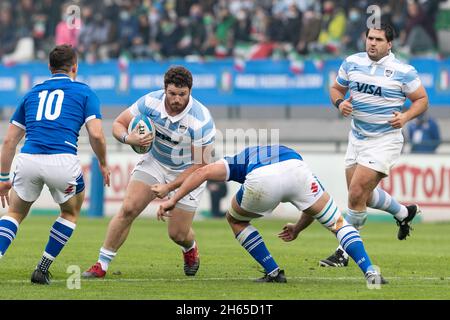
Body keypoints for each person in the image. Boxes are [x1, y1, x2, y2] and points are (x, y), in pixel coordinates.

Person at [157, 145, 387, 285]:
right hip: (299, 172)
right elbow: (310, 207)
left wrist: (172, 199)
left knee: (235, 219)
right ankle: (370, 271)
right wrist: (297, 228)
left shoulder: (238, 159)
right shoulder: (285, 152)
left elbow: (204, 172)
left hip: (262, 179)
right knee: (338, 224)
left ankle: (273, 271)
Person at [82, 66, 216, 278]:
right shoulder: (150, 102)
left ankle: (190, 248)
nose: (177, 100)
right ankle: (101, 264)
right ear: (164, 90)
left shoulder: (202, 120)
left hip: (189, 171)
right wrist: (128, 138)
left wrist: (169, 188)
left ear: (190, 91)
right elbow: (118, 123)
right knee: (128, 208)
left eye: (182, 94)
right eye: (172, 94)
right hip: (155, 161)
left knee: (177, 234)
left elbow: (201, 165)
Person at [0, 44, 110, 285]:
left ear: (49, 67)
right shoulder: (85, 92)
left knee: (15, 213)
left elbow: (9, 140)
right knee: (70, 212)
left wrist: (3, 179)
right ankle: (42, 268)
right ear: (75, 68)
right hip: (62, 159)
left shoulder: (31, 93)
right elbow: (98, 135)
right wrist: (103, 162)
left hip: (28, 158)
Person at [321, 22, 429, 267]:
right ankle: (404, 212)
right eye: (370, 38)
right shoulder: (352, 63)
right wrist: (340, 104)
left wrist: (405, 117)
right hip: (357, 137)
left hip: (384, 140)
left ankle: (343, 252)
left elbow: (422, 99)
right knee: (363, 199)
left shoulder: (403, 71)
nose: (372, 43)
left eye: (379, 40)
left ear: (389, 45)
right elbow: (336, 88)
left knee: (356, 193)